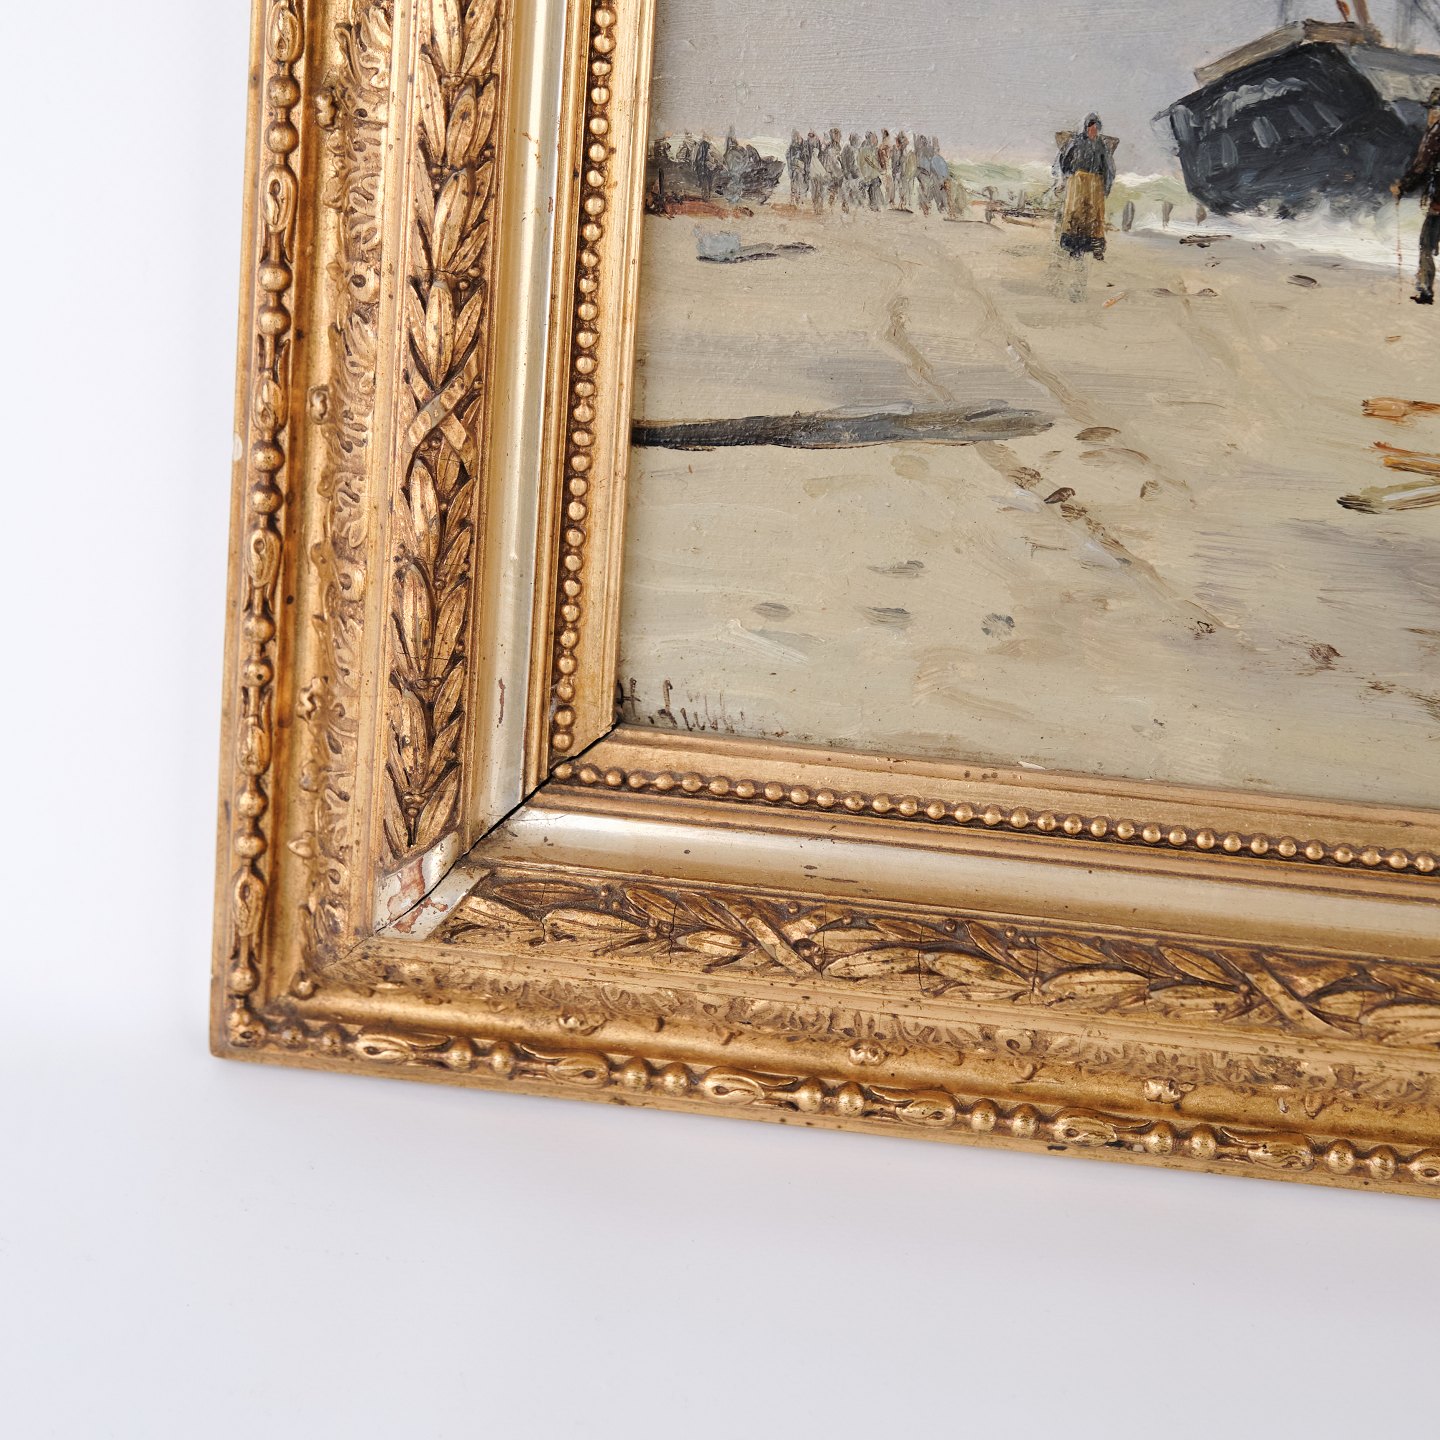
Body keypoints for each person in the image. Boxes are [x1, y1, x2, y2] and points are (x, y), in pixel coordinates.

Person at [1397, 86, 1440, 304]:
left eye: (1434, 109)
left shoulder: (1435, 134)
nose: (1431, 114)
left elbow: (1421, 166)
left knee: (1426, 244)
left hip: (1439, 203)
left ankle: (1425, 290)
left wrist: (1403, 187)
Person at [1055, 112, 1115, 259]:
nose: (1093, 130)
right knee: (1076, 214)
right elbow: (1064, 158)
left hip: (1096, 183)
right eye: (1091, 127)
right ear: (1086, 127)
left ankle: (1096, 249)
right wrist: (1069, 175)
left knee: (1095, 217)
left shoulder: (1101, 145)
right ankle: (1075, 248)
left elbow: (1108, 166)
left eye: (1095, 128)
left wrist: (1107, 185)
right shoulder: (1076, 142)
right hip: (1078, 182)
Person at [786, 129, 807, 207]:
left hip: (800, 167)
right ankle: (793, 200)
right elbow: (788, 155)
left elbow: (805, 156)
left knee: (799, 184)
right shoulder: (792, 146)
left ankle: (798, 200)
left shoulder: (802, 145)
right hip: (795, 167)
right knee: (794, 184)